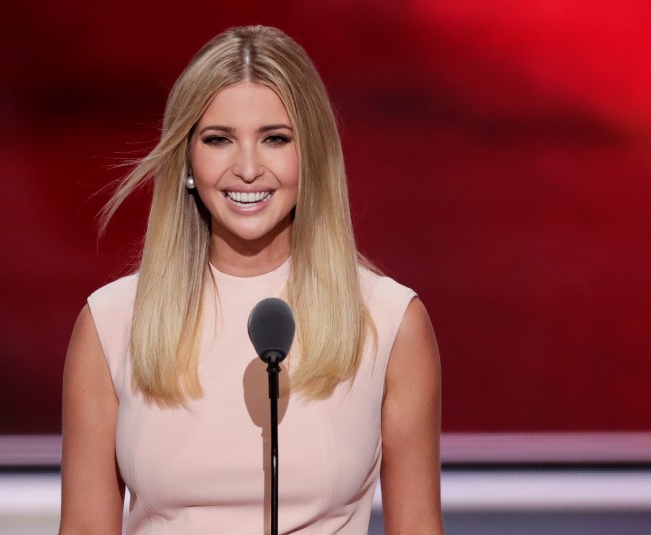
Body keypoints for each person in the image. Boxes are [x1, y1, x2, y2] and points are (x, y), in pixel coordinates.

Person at [59, 25, 443, 535]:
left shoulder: (390, 323)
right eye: (219, 140)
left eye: (275, 139)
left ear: (312, 157)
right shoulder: (111, 325)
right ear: (188, 161)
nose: (246, 168)